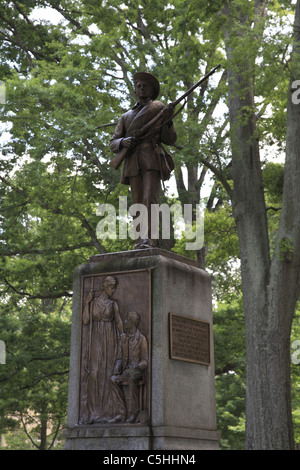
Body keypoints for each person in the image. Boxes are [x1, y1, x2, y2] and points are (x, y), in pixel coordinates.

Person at [110, 72, 177, 249]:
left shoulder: (159, 109)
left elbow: (170, 139)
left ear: (152, 90)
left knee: (150, 200)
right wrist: (123, 141)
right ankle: (139, 240)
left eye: (144, 85)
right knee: (137, 201)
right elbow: (113, 142)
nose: (141, 88)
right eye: (138, 85)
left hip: (151, 159)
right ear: (135, 89)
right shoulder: (126, 116)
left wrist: (168, 120)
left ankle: (150, 239)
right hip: (132, 161)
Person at [79, 276, 123, 424]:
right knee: (94, 374)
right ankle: (92, 413)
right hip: (96, 339)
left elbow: (119, 324)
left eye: (115, 286)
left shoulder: (113, 304)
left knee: (107, 374)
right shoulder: (93, 302)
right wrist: (87, 302)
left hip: (110, 340)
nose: (113, 289)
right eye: (111, 286)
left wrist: (123, 342)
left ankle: (109, 413)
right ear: (104, 286)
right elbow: (85, 320)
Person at [109, 311, 148, 424]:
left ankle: (133, 412)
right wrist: (117, 366)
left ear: (133, 322)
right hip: (126, 372)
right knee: (113, 379)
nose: (125, 322)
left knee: (131, 376)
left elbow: (145, 361)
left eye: (127, 320)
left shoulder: (141, 339)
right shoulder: (124, 338)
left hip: (137, 372)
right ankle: (121, 413)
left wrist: (138, 368)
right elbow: (120, 358)